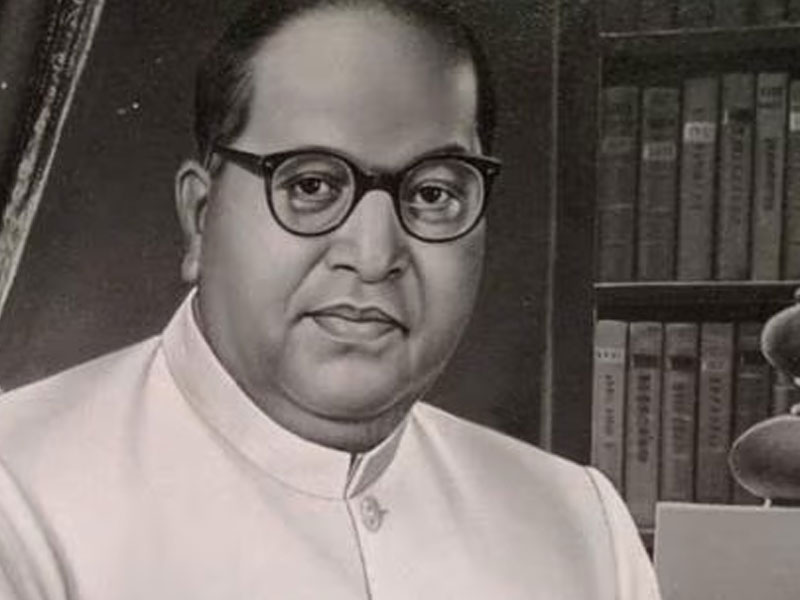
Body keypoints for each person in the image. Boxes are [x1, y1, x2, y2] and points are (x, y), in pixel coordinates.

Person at [0, 1, 661, 598]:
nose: (373, 256)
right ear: (201, 218)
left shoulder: (581, 527)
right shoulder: (20, 498)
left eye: (432, 193)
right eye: (311, 185)